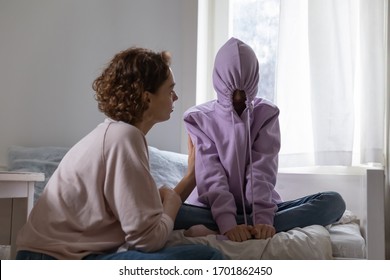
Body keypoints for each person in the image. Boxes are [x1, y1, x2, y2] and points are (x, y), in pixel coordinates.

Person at [15, 47, 224, 260]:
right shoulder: (124, 138)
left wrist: (189, 179)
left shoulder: (116, 134)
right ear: (147, 98)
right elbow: (146, 240)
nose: (176, 97)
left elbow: (147, 219)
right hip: (51, 259)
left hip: (42, 255)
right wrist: (170, 203)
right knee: (207, 258)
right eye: (170, 90)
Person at [176, 37, 346, 242]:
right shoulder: (198, 119)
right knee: (168, 213)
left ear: (254, 81)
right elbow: (212, 176)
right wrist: (228, 224)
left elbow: (261, 171)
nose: (238, 97)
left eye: (244, 90)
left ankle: (239, 228)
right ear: (218, 81)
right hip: (210, 210)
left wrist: (263, 220)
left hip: (259, 209)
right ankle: (227, 227)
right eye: (232, 90)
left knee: (334, 202)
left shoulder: (267, 114)